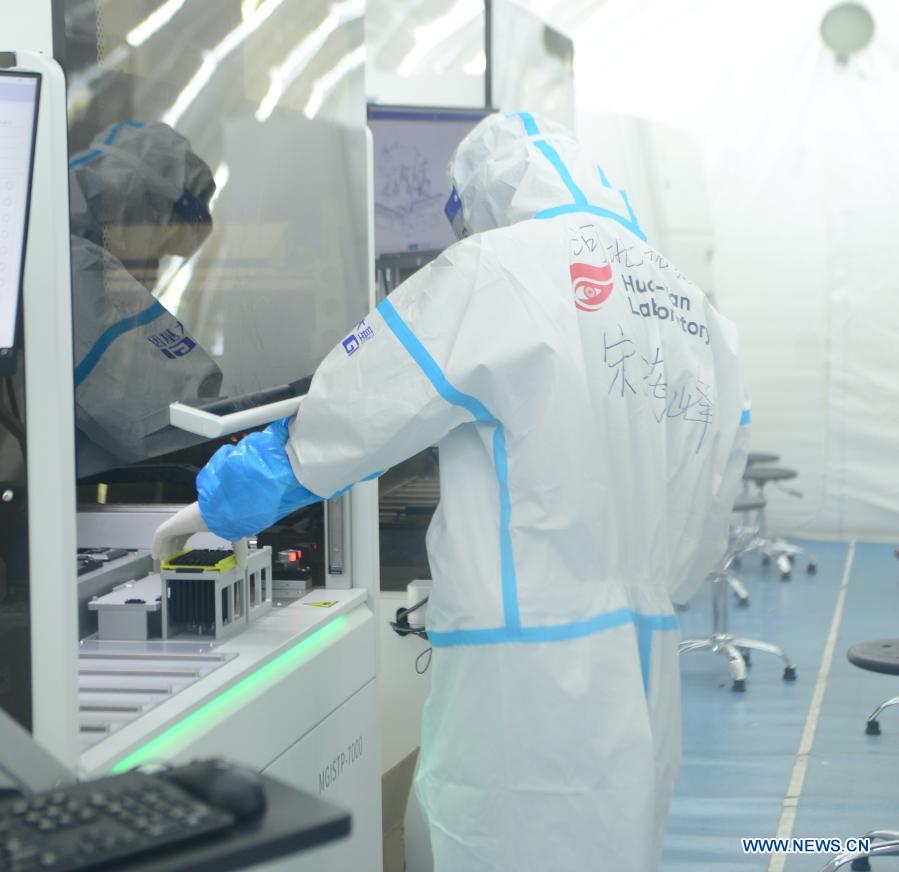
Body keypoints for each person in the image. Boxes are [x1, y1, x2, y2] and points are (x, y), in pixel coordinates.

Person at [154, 111, 749, 871]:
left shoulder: (496, 270)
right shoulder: (687, 302)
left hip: (523, 658)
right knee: (615, 841)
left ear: (479, 200)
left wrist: (229, 497)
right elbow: (710, 496)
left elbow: (359, 406)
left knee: (501, 840)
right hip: (642, 646)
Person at [69, 121, 223, 476]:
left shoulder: (60, 223)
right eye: (159, 250)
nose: (153, 270)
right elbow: (163, 419)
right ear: (145, 210)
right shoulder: (76, 265)